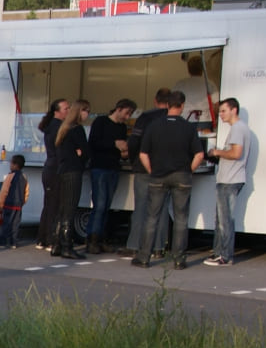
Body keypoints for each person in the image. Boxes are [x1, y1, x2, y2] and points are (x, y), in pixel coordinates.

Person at [133, 90, 204, 270]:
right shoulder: (188, 127)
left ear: (166, 105)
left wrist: (151, 170)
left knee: (152, 217)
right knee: (181, 218)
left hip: (158, 175)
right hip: (182, 176)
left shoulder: (154, 125)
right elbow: (199, 154)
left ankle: (144, 257)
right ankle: (179, 259)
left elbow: (143, 153)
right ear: (182, 106)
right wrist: (189, 171)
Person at [123, 88, 172, 258]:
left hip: (143, 169)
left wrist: (133, 160)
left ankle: (135, 245)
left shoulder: (145, 117)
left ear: (154, 100)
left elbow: (134, 142)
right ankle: (159, 248)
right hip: (166, 170)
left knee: (141, 207)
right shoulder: (174, 119)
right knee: (162, 208)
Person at [204, 97, 248, 266]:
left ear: (233, 110)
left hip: (230, 179)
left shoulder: (237, 129)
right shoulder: (239, 128)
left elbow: (236, 154)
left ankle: (225, 255)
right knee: (222, 218)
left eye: (223, 111)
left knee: (225, 219)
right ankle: (218, 253)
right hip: (229, 178)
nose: (220, 114)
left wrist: (217, 152)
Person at [86, 98, 134, 252]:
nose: (127, 117)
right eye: (127, 113)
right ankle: (92, 239)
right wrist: (114, 144)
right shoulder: (101, 122)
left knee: (106, 205)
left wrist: (125, 152)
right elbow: (93, 143)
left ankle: (100, 238)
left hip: (113, 167)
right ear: (118, 109)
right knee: (99, 205)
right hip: (100, 167)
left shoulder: (121, 127)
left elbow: (120, 149)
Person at [50, 99, 89, 259]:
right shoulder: (78, 129)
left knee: (62, 210)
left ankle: (56, 244)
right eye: (86, 111)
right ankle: (67, 246)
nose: (87, 114)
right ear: (80, 112)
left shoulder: (64, 129)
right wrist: (81, 155)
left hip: (62, 171)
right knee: (70, 209)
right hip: (73, 171)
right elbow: (86, 151)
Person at [34, 98, 68, 250]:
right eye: (66, 108)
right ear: (57, 111)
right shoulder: (59, 127)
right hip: (55, 168)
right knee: (54, 204)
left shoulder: (50, 126)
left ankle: (42, 238)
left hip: (49, 167)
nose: (68, 111)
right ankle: (49, 238)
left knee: (48, 204)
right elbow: (60, 150)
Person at [173, 54, 218, 125]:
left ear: (188, 69)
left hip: (184, 120)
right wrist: (214, 117)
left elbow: (173, 103)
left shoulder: (180, 84)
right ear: (203, 69)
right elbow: (217, 104)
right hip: (204, 121)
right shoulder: (209, 83)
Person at [0, 154, 29, 248]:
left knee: (6, 223)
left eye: (11, 163)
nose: (10, 165)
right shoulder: (24, 176)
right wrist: (23, 202)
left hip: (9, 204)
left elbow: (4, 191)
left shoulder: (10, 176)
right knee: (15, 224)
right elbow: (26, 191)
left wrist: (1, 203)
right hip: (18, 206)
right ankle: (13, 242)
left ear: (15, 165)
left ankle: (2, 242)